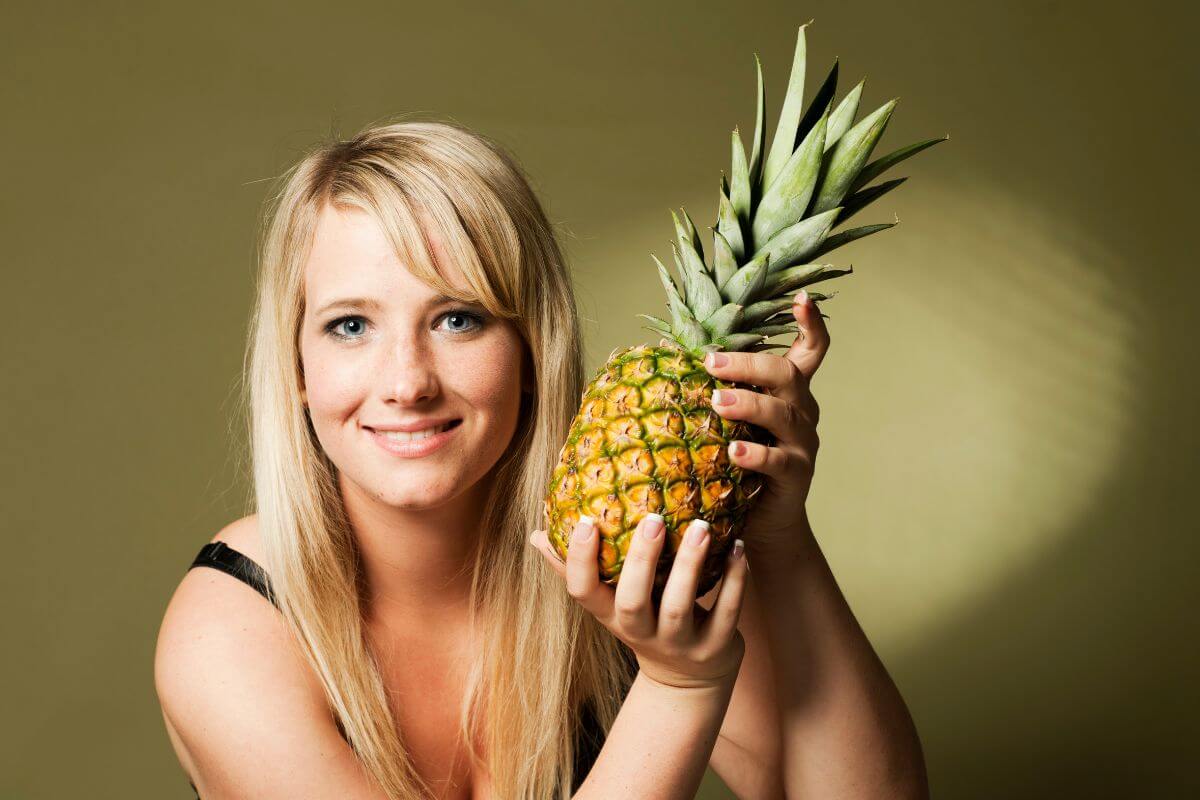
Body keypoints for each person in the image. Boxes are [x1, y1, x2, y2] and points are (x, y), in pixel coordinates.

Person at [154, 118, 929, 799]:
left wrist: (780, 537)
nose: (407, 383)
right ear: (295, 367)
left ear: (531, 348)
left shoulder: (619, 544)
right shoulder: (232, 623)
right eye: (350, 326)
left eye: (458, 318)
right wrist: (680, 684)